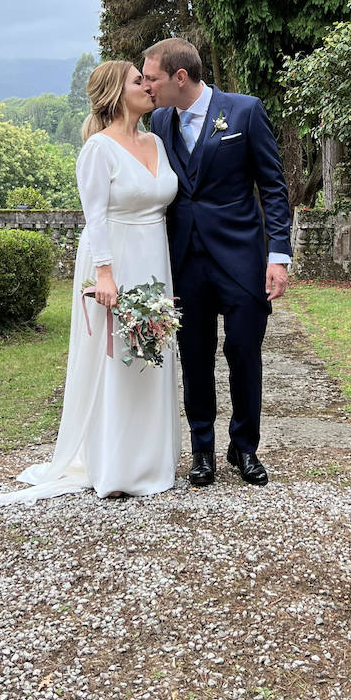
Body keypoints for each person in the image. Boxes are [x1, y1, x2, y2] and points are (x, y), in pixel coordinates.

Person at [0, 61, 180, 505]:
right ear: (116, 93)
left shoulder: (155, 141)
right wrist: (107, 275)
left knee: (154, 351)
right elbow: (94, 217)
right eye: (139, 81)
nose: (149, 86)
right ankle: (115, 465)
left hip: (155, 258)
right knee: (117, 358)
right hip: (114, 258)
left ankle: (153, 462)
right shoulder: (98, 149)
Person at [141, 37, 292, 488]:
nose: (146, 86)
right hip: (184, 260)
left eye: (152, 78)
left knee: (244, 352)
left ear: (179, 77)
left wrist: (278, 256)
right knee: (194, 356)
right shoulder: (159, 121)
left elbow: (273, 187)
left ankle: (244, 447)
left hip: (242, 258)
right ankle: (202, 448)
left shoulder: (244, 112)